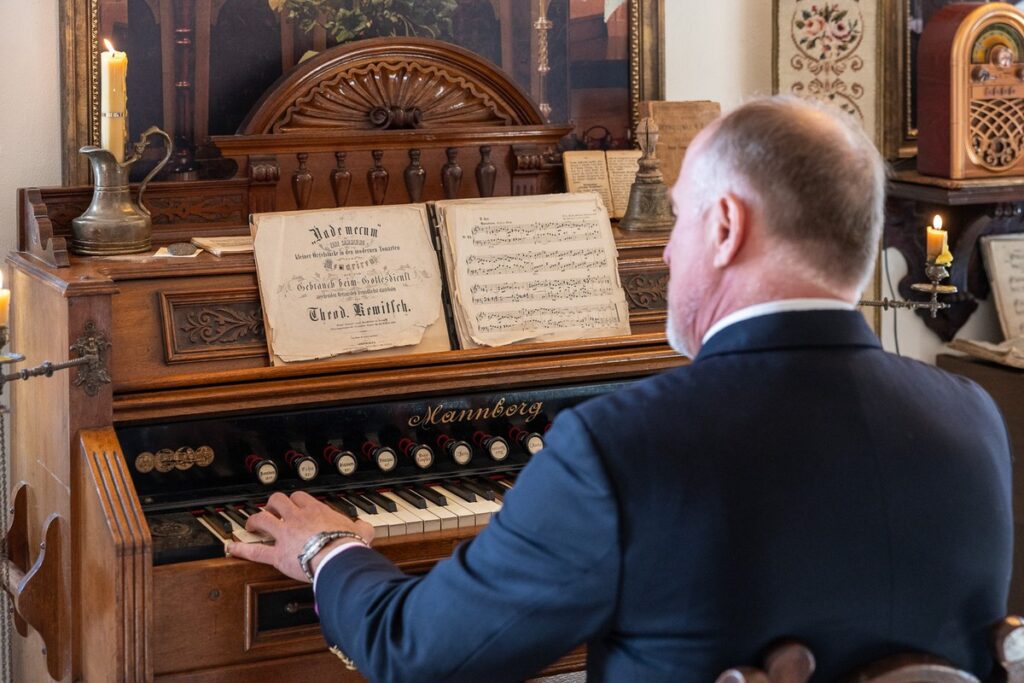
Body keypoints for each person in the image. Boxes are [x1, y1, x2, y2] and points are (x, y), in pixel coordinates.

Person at [228, 96, 1012, 683]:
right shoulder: (971, 418)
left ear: (726, 226)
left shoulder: (621, 445)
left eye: (676, 219)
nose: (664, 253)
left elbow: (420, 651)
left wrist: (328, 548)